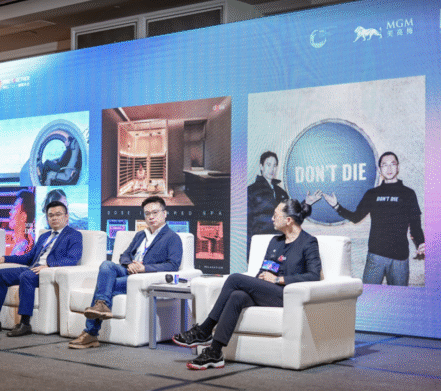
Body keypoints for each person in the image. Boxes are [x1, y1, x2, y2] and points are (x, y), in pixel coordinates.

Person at [173, 199, 321, 370]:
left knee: (235, 279)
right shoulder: (275, 241)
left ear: (288, 220)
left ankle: (205, 330)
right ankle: (215, 352)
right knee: (237, 296)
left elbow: (314, 275)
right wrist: (260, 280)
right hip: (267, 292)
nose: (272, 219)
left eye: (275, 215)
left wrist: (278, 280)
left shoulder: (308, 242)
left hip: (287, 295)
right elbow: (264, 270)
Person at [68, 196, 182, 349]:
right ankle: (101, 306)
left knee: (107, 284)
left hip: (143, 277)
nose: (151, 217)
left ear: (164, 213)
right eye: (147, 214)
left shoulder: (172, 238)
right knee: (107, 265)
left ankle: (91, 332)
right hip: (129, 270)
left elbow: (173, 265)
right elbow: (125, 255)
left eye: (155, 212)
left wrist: (144, 268)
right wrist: (130, 264)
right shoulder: (141, 235)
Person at [0, 200, 82, 337]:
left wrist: (49, 267)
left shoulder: (74, 235)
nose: (54, 218)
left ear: (66, 217)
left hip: (49, 272)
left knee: (26, 277)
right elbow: (28, 258)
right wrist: (5, 258)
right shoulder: (44, 236)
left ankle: (25, 324)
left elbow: (73, 258)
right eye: (51, 215)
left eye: (58, 214)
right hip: (33, 268)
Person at [322, 151, 424, 286]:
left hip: (400, 258)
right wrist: (336, 206)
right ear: (380, 169)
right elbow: (356, 217)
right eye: (384, 165)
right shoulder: (372, 194)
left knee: (399, 297)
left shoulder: (408, 194)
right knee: (368, 295)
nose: (389, 168)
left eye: (392, 164)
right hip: (375, 256)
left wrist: (421, 243)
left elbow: (415, 225)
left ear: (398, 167)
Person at [247, 151, 321, 257]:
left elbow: (291, 216)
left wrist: (306, 203)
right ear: (261, 166)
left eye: (275, 165)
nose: (272, 169)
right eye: (268, 165)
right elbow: (248, 225)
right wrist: (250, 252)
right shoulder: (251, 190)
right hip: (261, 245)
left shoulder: (281, 192)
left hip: (281, 245)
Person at [7, 189, 35, 255]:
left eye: (14, 208)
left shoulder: (22, 249)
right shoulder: (20, 245)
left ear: (24, 216)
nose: (10, 212)